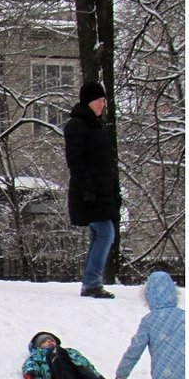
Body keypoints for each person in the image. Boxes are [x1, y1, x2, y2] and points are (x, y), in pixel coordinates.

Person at [64, 81, 121, 299]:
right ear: (88, 102)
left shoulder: (98, 127)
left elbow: (107, 163)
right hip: (89, 192)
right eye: (99, 100)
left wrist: (115, 192)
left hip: (103, 191)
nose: (102, 105)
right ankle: (91, 282)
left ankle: (91, 281)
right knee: (105, 232)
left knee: (102, 233)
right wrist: (87, 189)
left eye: (104, 100)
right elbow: (75, 161)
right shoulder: (76, 126)